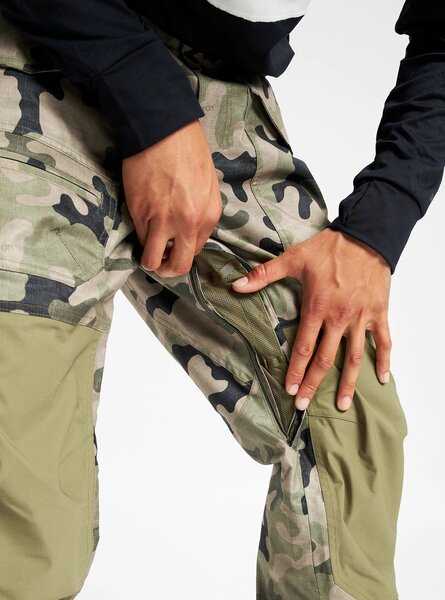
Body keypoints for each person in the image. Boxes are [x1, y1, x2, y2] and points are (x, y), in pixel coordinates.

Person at [0, 1, 443, 598]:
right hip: (41, 36)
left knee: (343, 405)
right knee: (20, 451)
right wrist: (149, 102)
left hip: (216, 87)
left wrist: (374, 233)